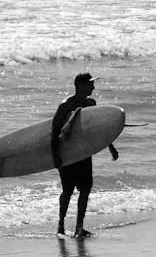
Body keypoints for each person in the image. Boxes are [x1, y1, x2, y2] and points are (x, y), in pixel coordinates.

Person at [50, 71, 119, 237]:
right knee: (67, 191)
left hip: (84, 153)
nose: (93, 87)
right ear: (81, 86)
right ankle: (60, 225)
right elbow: (54, 132)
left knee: (85, 189)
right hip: (68, 155)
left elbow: (98, 128)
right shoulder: (65, 106)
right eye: (90, 84)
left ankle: (79, 227)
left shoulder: (91, 103)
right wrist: (55, 156)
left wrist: (110, 146)